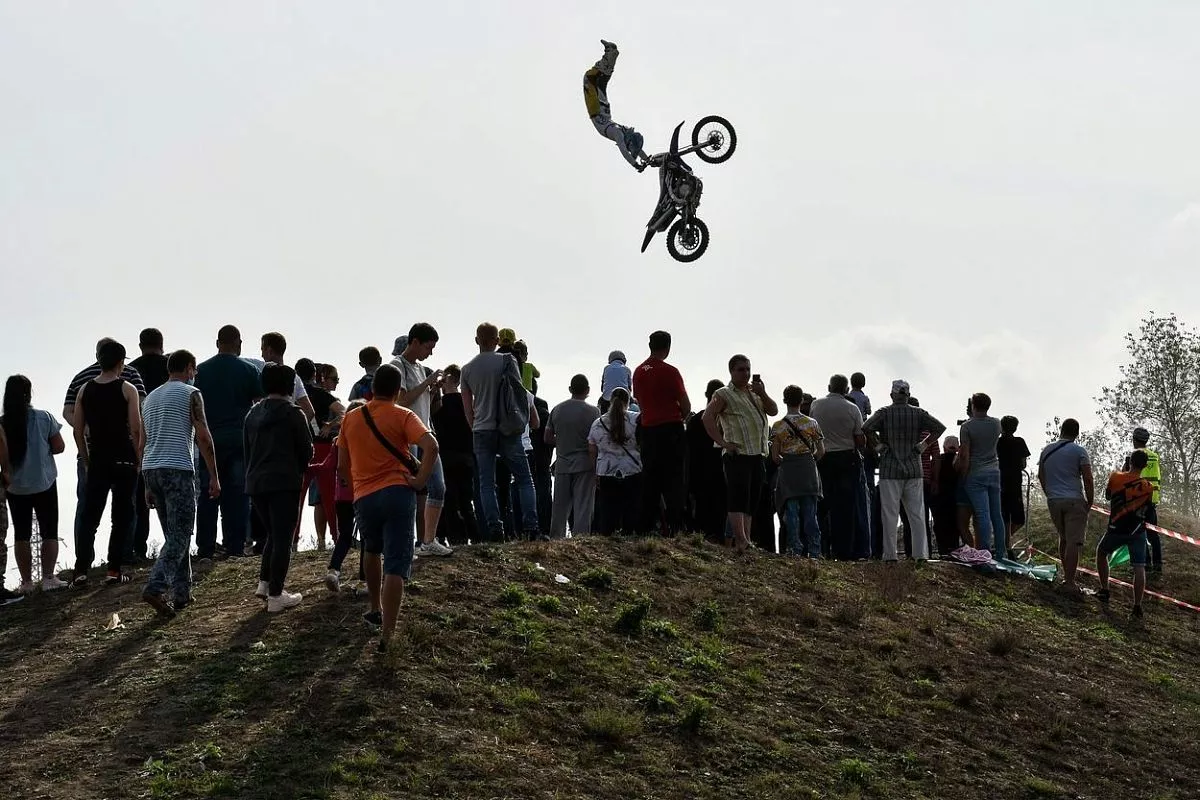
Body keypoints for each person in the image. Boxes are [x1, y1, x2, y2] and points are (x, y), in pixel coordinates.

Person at [338, 363, 439, 652]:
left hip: (364, 495)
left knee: (371, 550)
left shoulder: (351, 418)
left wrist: (355, 487)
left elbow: (342, 465)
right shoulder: (403, 414)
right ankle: (388, 634)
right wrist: (420, 480)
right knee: (396, 562)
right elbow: (431, 446)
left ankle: (375, 607)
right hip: (397, 491)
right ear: (397, 391)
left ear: (372, 389)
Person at [140, 350, 221, 617]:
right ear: (188, 368)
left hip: (152, 468)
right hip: (178, 468)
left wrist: (146, 484)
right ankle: (156, 586)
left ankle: (182, 592)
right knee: (181, 533)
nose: (194, 374)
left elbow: (142, 442)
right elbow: (203, 436)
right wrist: (214, 476)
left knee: (174, 534)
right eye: (194, 369)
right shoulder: (191, 393)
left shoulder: (150, 398)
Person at [63, 338, 147, 550]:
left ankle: (83, 558)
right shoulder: (130, 376)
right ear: (120, 360)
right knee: (125, 508)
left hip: (93, 452)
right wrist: (139, 453)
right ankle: (123, 555)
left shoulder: (81, 380)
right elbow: (140, 411)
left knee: (87, 509)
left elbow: (68, 412)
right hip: (124, 452)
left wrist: (87, 430)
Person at [461, 322, 539, 541]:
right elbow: (519, 393)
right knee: (524, 479)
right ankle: (531, 527)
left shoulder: (467, 369)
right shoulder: (507, 360)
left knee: (486, 483)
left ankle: (495, 528)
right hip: (507, 429)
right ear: (496, 341)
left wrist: (475, 426)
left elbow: (467, 408)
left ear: (476, 340)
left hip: (482, 429)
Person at [245, 363, 312, 613]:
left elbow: (247, 449)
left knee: (273, 533)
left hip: (256, 482)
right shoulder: (294, 413)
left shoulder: (252, 414)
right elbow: (306, 450)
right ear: (290, 386)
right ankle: (276, 595)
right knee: (283, 537)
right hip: (284, 481)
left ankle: (264, 583)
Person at [193, 325, 263, 560]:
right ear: (239, 344)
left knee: (208, 493)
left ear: (217, 343)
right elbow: (259, 404)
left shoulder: (201, 371)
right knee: (238, 495)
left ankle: (205, 547)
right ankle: (235, 546)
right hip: (239, 441)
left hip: (209, 441)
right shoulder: (249, 370)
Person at [702, 355, 778, 553]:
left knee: (751, 499)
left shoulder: (754, 392)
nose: (745, 373)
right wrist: (722, 443)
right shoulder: (723, 393)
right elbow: (707, 417)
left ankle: (746, 540)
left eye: (747, 369)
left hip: (757, 453)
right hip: (738, 452)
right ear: (731, 371)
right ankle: (741, 539)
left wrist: (762, 393)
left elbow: (773, 410)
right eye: (741, 369)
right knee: (738, 497)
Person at [863, 381, 945, 561]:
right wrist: (923, 445)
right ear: (908, 395)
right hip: (914, 468)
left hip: (889, 469)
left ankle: (890, 555)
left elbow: (866, 428)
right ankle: (920, 555)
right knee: (917, 515)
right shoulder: (918, 413)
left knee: (889, 514)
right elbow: (939, 428)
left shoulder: (884, 413)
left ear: (892, 395)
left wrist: (879, 446)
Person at [1, 375, 67, 593]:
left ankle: (27, 582)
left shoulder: (2, 423)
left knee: (21, 534)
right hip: (44, 481)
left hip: (15, 486)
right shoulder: (43, 417)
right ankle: (48, 578)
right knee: (49, 530)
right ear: (28, 394)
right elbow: (59, 447)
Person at [394, 323, 452, 557]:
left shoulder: (419, 368)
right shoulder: (397, 366)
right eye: (428, 347)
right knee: (408, 490)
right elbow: (401, 401)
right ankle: (406, 542)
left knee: (438, 486)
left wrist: (433, 390)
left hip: (425, 433)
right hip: (408, 437)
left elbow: (424, 404)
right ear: (415, 342)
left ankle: (428, 540)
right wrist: (427, 383)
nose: (430, 353)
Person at [632, 330, 691, 535]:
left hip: (648, 430)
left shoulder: (639, 372)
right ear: (668, 347)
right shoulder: (671, 372)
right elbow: (686, 405)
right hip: (671, 428)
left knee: (650, 480)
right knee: (674, 480)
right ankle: (676, 527)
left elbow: (639, 400)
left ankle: (645, 527)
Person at [809, 374, 870, 560]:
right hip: (846, 459)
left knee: (822, 505)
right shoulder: (852, 408)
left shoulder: (816, 405)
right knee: (845, 507)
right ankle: (844, 551)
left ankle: (821, 548)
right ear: (846, 389)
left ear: (829, 387)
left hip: (823, 458)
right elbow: (860, 439)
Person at [1037, 418, 1094, 594]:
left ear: (1061, 430)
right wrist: (1090, 501)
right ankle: (1069, 582)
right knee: (1073, 542)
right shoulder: (1079, 451)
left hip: (1054, 500)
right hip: (1074, 500)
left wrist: (1050, 494)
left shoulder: (1047, 450)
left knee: (1063, 538)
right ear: (1077, 433)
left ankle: (1066, 576)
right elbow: (1087, 478)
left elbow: (1041, 475)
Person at [128, 327, 170, 563]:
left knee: (139, 498)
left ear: (140, 345)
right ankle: (175, 543)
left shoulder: (131, 370)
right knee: (172, 494)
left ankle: (138, 548)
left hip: (139, 438)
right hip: (169, 436)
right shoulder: (170, 367)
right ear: (162, 344)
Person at [1096, 450, 1153, 619]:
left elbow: (1108, 496)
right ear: (1145, 466)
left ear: (1130, 462)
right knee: (1139, 567)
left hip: (1116, 528)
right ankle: (1137, 606)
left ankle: (1105, 590)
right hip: (1137, 531)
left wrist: (1123, 472)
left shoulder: (1115, 477)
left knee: (1101, 553)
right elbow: (1147, 509)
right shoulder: (1148, 486)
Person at [769, 385, 825, 558]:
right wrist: (810, 459)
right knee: (810, 512)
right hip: (808, 468)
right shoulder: (812, 423)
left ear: (784, 400)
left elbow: (775, 456)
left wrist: (787, 460)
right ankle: (815, 550)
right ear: (801, 400)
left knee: (792, 511)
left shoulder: (778, 426)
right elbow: (821, 451)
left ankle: (794, 548)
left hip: (788, 470)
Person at [297, 361, 345, 551]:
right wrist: (330, 425)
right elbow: (344, 412)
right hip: (323, 447)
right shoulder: (321, 394)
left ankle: (293, 541)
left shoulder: (293, 394)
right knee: (329, 496)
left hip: (301, 447)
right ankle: (336, 537)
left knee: (298, 497)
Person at [955, 393, 1007, 559]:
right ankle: (1001, 553)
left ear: (973, 406)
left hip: (976, 474)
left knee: (982, 514)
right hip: (994, 472)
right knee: (996, 515)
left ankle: (984, 555)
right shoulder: (996, 423)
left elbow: (964, 455)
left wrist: (963, 476)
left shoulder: (967, 427)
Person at [547, 375, 601, 537]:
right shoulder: (594, 412)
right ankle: (580, 539)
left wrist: (562, 442)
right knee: (583, 506)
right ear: (588, 390)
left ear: (570, 389)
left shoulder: (557, 409)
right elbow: (597, 439)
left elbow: (547, 438)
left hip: (562, 464)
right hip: (585, 464)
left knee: (559, 507)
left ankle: (556, 538)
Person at [583, 40, 647, 171]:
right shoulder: (623, 132)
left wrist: (636, 165)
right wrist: (647, 160)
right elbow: (637, 148)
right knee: (597, 81)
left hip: (598, 110)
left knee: (593, 79)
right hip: (601, 109)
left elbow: (624, 151)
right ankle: (610, 55)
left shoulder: (619, 133)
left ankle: (610, 55)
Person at [431, 365, 477, 547]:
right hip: (467, 455)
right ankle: (475, 535)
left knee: (449, 500)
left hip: (446, 456)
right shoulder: (468, 403)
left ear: (447, 379)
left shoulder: (439, 405)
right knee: (466, 501)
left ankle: (455, 538)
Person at [588, 387, 641, 534]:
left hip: (606, 471)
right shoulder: (637, 419)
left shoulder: (598, 423)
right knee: (631, 512)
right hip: (633, 470)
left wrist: (595, 472)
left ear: (610, 401)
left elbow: (592, 449)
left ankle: (608, 539)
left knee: (608, 513)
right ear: (628, 402)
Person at [687, 379, 727, 543]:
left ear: (706, 394)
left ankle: (701, 539)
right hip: (721, 471)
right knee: (720, 510)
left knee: (701, 510)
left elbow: (689, 451)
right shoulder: (725, 422)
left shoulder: (695, 421)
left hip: (699, 472)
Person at [1124, 427, 1163, 575]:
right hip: (1151, 499)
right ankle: (1158, 565)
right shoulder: (1154, 456)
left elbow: (1126, 476)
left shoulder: (1134, 456)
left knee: (1138, 533)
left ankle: (1145, 564)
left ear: (1134, 440)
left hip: (1138, 500)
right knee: (1153, 533)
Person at [996, 415, 1031, 559]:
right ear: (1015, 428)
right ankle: (1005, 543)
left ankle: (1003, 541)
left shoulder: (997, 442)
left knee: (1004, 516)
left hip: (999, 481)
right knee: (1018, 519)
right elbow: (1023, 464)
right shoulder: (1019, 442)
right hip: (1015, 483)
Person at [932, 435, 964, 556]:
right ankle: (954, 549)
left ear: (944, 447)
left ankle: (943, 551)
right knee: (955, 525)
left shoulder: (938, 460)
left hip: (940, 497)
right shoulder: (959, 461)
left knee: (940, 525)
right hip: (956, 497)